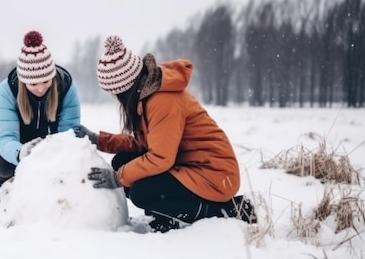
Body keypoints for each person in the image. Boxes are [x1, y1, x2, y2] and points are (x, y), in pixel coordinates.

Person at [76, 35, 256, 232]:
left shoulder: (162, 100)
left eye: (113, 93)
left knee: (141, 192)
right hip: (188, 165)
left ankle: (233, 209)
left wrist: (118, 178)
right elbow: (144, 144)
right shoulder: (146, 96)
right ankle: (167, 212)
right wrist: (99, 140)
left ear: (124, 88)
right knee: (122, 162)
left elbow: (161, 157)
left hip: (214, 174)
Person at [0, 30, 81, 204]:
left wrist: (56, 153)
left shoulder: (66, 88)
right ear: (23, 80)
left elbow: (69, 133)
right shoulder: (7, 90)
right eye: (33, 83)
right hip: (10, 144)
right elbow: (6, 137)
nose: (40, 88)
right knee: (4, 165)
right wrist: (20, 152)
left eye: (46, 81)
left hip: (47, 141)